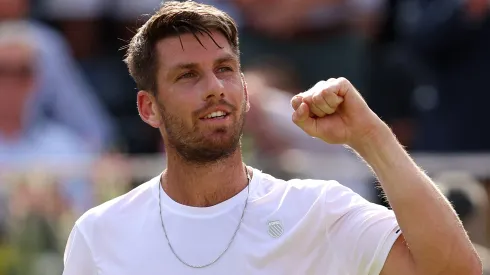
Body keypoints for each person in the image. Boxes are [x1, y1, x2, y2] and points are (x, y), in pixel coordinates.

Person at [62, 1, 481, 274]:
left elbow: (456, 271)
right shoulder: (99, 233)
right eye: (188, 75)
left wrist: (371, 137)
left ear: (244, 88)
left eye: (225, 69)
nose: (215, 87)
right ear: (147, 108)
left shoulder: (319, 209)